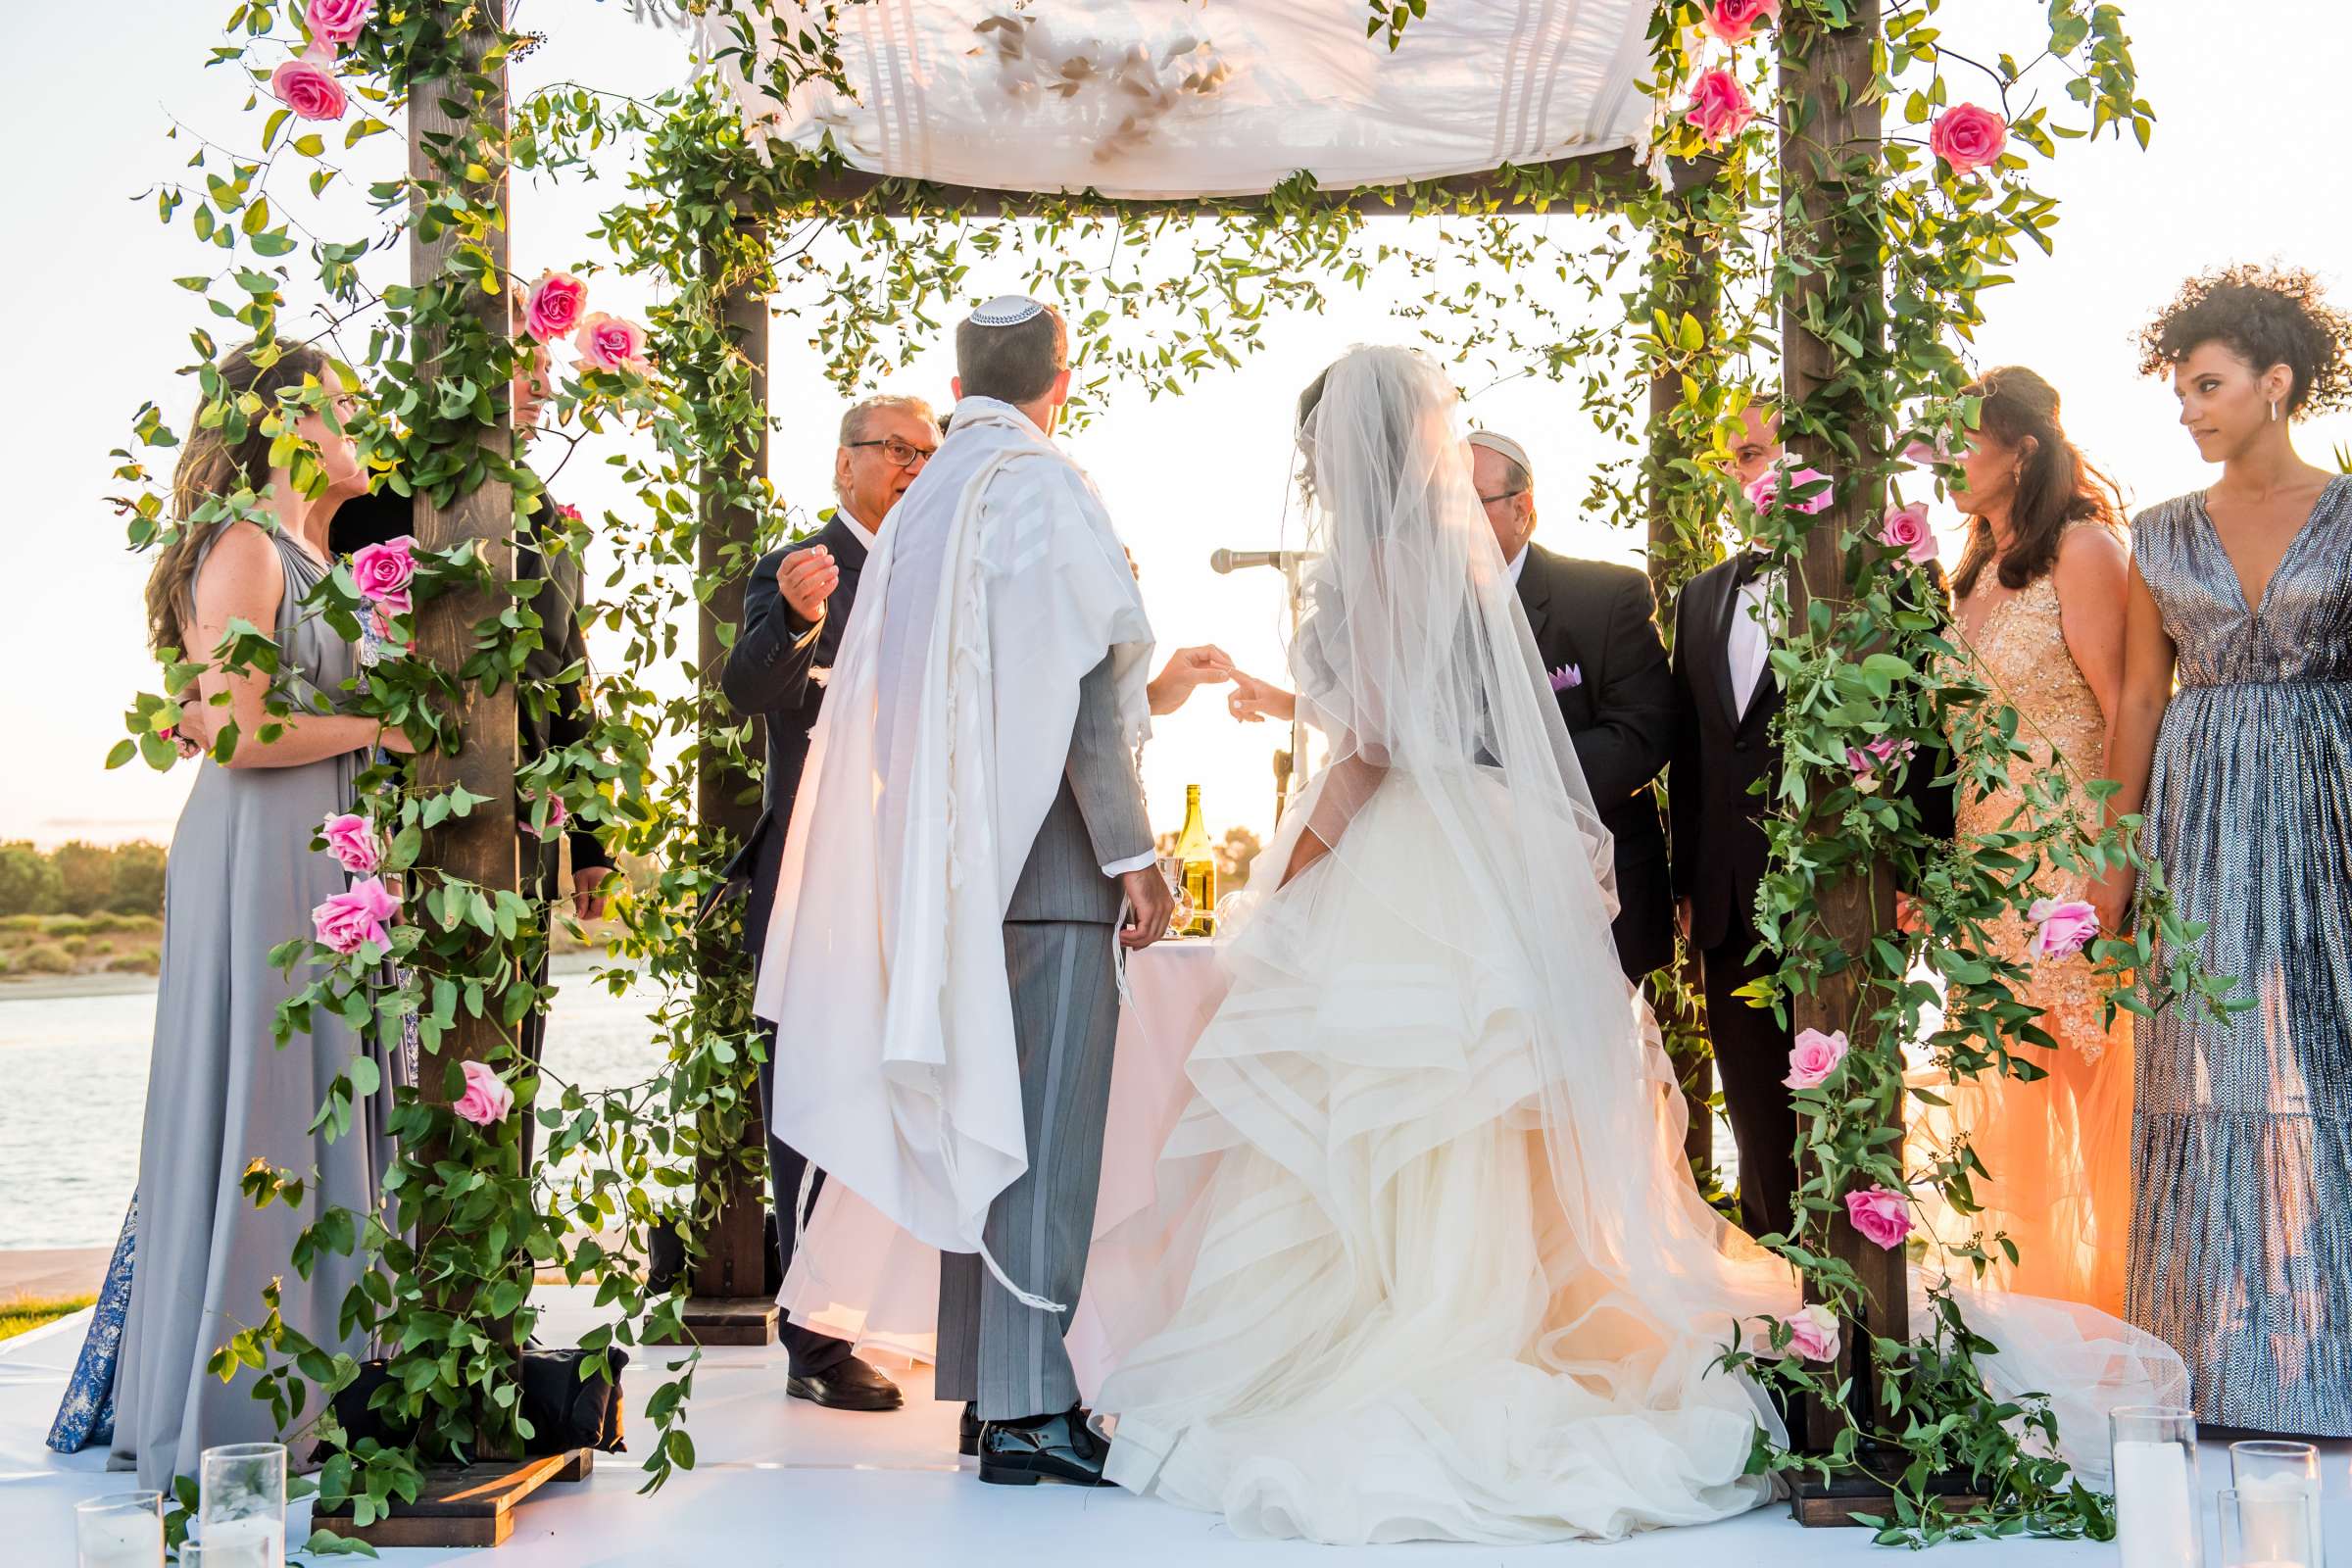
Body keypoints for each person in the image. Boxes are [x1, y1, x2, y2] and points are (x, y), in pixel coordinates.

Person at [1085, 347, 1798, 1542]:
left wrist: (1289, 874)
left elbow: (1367, 753)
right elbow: (1409, 721)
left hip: (1406, 854)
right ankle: (1518, 1322)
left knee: (1392, 1095)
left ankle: (1415, 1328)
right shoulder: (1458, 559)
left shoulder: (1368, 569)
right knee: (1469, 1097)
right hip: (1477, 842)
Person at [755, 296, 1175, 1489]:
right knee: (1043, 1134)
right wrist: (1132, 853)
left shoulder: (928, 501)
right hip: (1046, 867)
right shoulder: (1045, 485)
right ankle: (1036, 1410)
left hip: (940, 872)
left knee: (973, 1118)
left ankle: (991, 1398)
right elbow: (1089, 689)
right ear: (1063, 375)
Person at [57, 339, 406, 1487]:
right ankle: (237, 1409)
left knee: (324, 1095)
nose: (358, 415)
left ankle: (324, 1382)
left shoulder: (315, 548)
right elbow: (243, 729)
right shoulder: (247, 545)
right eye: (340, 400)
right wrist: (381, 732)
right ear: (287, 419)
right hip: (263, 851)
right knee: (268, 1096)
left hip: (328, 853)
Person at [2095, 265, 2352, 1434]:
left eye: (2208, 386)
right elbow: (2138, 706)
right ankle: (2220, 1368)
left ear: (2278, 383)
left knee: (2336, 1070)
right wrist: (2113, 866)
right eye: (2182, 390)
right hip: (2199, 811)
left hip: (2330, 801)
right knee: (2209, 1077)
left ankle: (2333, 1362)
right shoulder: (2156, 532)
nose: (2190, 410)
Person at [1224, 429, 1674, 981]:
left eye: (1467, 505)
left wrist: (1497, 792)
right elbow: (1391, 728)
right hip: (1463, 903)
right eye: (1438, 507)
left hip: (1590, 894)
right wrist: (1286, 703)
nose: (1447, 524)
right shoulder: (1417, 612)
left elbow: (1642, 734)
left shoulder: (1604, 597)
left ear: (1523, 509)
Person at [326, 319, 614, 1173]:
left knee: (508, 1036)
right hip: (386, 811)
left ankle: (497, 1241)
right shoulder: (375, 498)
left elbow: (571, 676)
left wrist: (591, 840)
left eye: (550, 371)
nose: (547, 389)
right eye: (530, 369)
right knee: (393, 1035)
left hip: (521, 822)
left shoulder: (552, 521)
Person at [1668, 404, 1955, 1242]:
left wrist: (1918, 871)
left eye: (1752, 450)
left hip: (1844, 893)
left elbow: (1927, 727)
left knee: (1854, 1119)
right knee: (1758, 1126)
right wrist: (1690, 887)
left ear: (1808, 455)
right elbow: (1693, 753)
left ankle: (1863, 1320)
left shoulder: (1885, 578)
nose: (1738, 472)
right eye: (1731, 459)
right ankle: (1781, 1319)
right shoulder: (1701, 596)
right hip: (1727, 904)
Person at [720, 392, 941, 1414]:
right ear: (845, 461)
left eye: (925, 451)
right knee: (813, 1084)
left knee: (906, 1081)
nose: (911, 464)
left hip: (916, 876)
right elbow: (748, 687)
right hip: (817, 884)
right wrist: (802, 622)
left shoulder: (936, 569)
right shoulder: (799, 565)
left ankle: (888, 1300)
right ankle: (812, 1339)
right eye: (894, 448)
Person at [1924, 366, 2134, 1315]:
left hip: (2065, 876)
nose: (1948, 460)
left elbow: (2132, 704)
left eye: (1966, 439)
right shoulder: (1965, 576)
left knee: (2088, 1102)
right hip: (1982, 880)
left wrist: (2110, 869)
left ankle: (2119, 1321)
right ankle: (2033, 1331)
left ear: (2024, 448)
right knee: (2009, 1114)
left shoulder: (2083, 551)